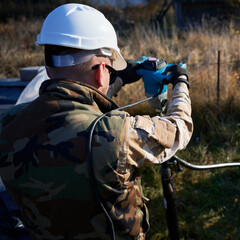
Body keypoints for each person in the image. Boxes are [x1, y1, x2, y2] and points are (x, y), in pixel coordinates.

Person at [0, 3, 193, 240]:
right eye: (110, 71)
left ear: (48, 68)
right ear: (102, 70)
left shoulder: (7, 122)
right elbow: (178, 128)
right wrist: (181, 81)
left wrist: (121, 76)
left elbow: (77, 104)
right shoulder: (116, 133)